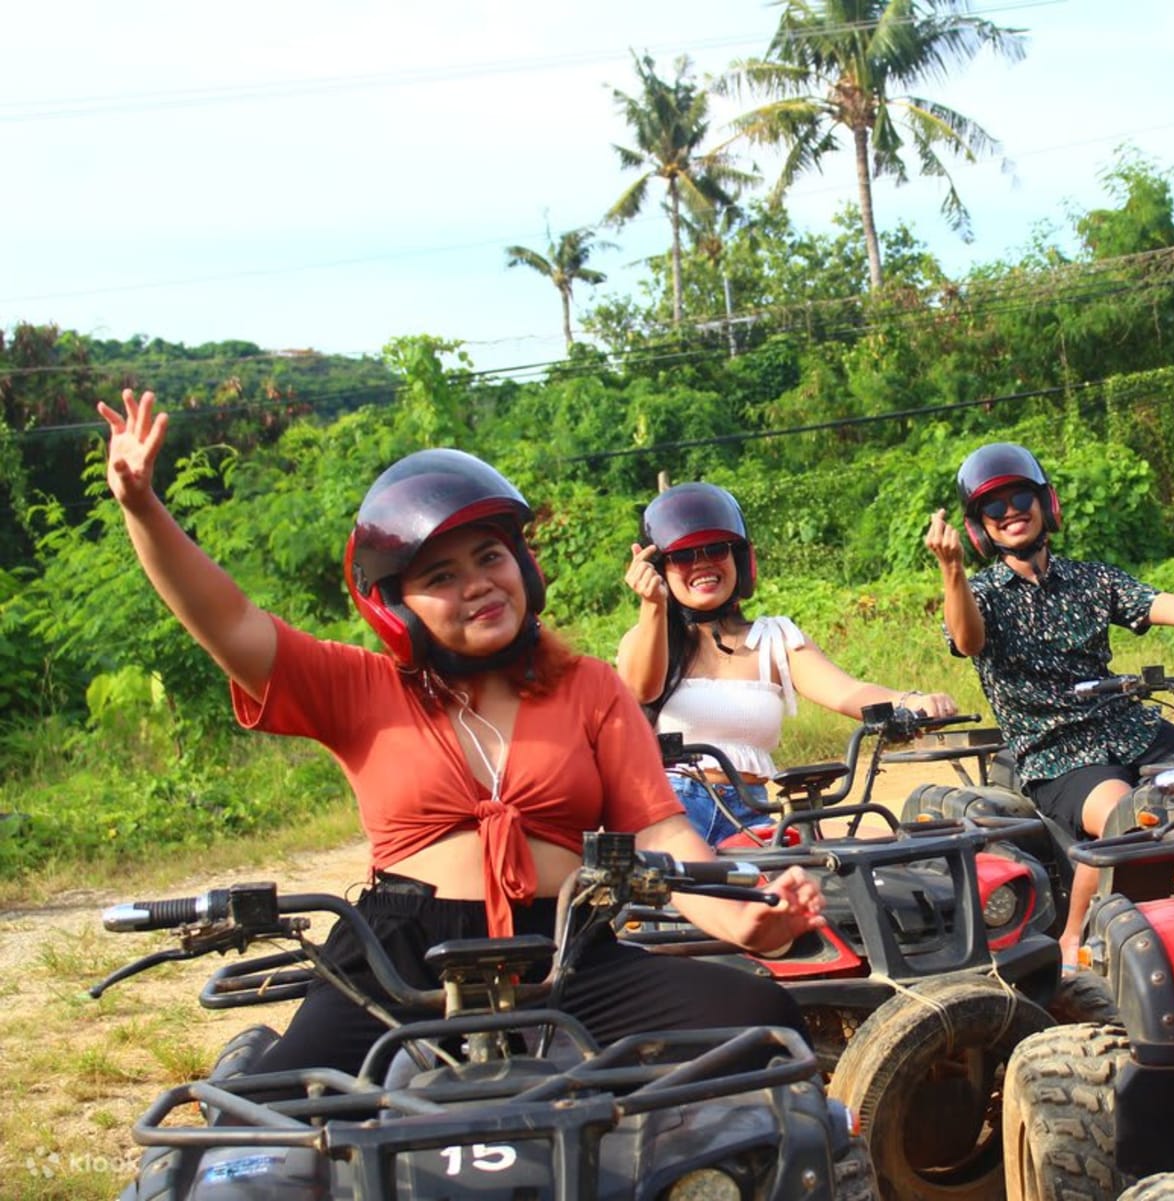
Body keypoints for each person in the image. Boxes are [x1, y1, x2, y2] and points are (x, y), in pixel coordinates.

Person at [97, 390, 823, 1077]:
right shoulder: (360, 686)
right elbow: (230, 622)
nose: (476, 584)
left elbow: (662, 832)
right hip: (399, 952)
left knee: (761, 1024)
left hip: (564, 950)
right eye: (441, 575)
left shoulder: (589, 688)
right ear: (397, 606)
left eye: (489, 557)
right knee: (277, 1106)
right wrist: (141, 506)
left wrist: (746, 921)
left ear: (523, 568)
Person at [925, 441, 1174, 963]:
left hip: (1131, 730)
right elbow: (968, 640)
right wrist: (952, 571)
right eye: (993, 506)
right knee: (1128, 817)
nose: (1010, 512)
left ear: (1045, 503)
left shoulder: (1091, 580)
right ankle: (1076, 945)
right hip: (1057, 755)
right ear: (979, 526)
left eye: (1020, 498)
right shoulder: (980, 594)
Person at [616, 481, 959, 846]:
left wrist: (911, 701)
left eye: (716, 549)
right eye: (684, 556)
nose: (702, 563)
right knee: (684, 879)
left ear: (740, 560)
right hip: (673, 809)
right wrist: (653, 605)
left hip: (752, 812)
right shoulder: (648, 639)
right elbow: (642, 689)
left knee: (884, 847)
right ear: (659, 569)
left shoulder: (775, 638)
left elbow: (847, 691)